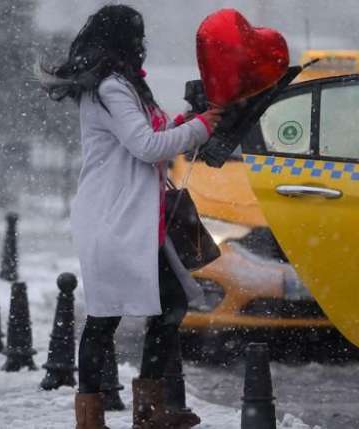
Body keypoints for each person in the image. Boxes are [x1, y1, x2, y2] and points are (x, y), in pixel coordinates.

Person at [41, 5, 222, 428]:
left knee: (163, 305)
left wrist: (188, 120)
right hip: (114, 220)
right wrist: (202, 128)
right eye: (136, 36)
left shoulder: (123, 85)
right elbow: (146, 146)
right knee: (109, 316)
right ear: (123, 40)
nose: (142, 44)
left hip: (133, 221)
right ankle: (102, 416)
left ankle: (145, 410)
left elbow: (152, 133)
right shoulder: (110, 88)